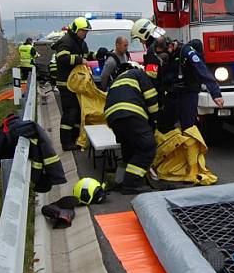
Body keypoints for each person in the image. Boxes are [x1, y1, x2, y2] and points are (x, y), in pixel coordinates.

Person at [104, 64, 159, 194]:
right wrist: (153, 123)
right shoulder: (142, 75)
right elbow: (152, 101)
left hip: (112, 116)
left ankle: (121, 180)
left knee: (129, 147)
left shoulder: (121, 78)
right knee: (148, 147)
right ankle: (131, 184)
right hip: (130, 113)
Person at [155, 36, 223, 133]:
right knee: (165, 125)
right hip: (172, 93)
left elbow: (203, 71)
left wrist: (216, 94)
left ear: (170, 46)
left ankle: (191, 145)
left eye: (163, 53)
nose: (162, 57)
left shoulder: (187, 51)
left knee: (188, 127)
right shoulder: (167, 55)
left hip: (188, 93)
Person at [55, 17, 96, 150]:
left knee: (78, 111)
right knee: (70, 112)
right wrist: (79, 59)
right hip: (65, 83)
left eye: (86, 31)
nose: (85, 33)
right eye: (83, 31)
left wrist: (97, 55)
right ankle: (66, 143)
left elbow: (87, 56)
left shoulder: (81, 42)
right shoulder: (66, 41)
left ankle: (75, 139)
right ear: (76, 29)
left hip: (77, 83)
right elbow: (62, 58)